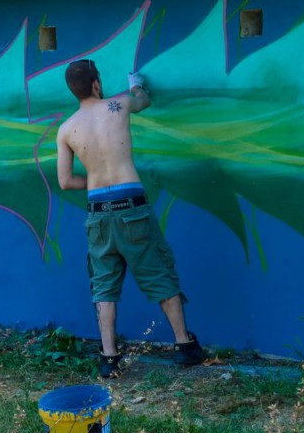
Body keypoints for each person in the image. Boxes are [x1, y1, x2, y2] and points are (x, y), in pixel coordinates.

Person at [56, 59, 205, 377]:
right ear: (96, 83)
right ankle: (184, 345)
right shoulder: (119, 105)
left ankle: (109, 358)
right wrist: (136, 82)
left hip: (98, 214)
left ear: (72, 91)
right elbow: (143, 98)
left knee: (104, 285)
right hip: (132, 206)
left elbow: (65, 182)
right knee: (158, 272)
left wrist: (95, 181)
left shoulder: (66, 129)